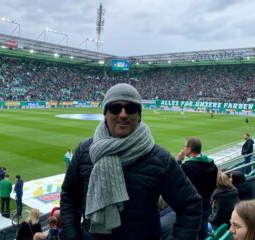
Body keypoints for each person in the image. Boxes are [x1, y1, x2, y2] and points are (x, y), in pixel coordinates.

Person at [60, 83, 202, 240]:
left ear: (139, 114)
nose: (123, 114)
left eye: (131, 108)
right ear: (105, 113)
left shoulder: (160, 159)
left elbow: (190, 205)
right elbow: (69, 197)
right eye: (115, 108)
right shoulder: (85, 151)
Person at [177, 137, 218, 240]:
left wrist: (178, 161)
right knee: (203, 233)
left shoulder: (187, 167)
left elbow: (174, 180)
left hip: (191, 209)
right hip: (206, 204)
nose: (184, 148)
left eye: (185, 146)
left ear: (190, 149)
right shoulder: (212, 165)